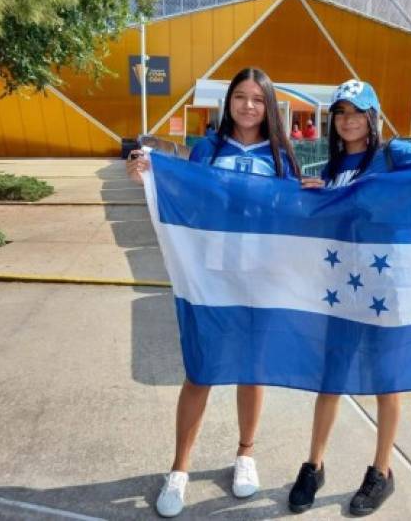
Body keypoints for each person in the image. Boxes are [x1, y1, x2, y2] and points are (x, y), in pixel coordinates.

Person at [127, 67, 299, 518]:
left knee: (252, 369)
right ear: (229, 102)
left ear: (269, 106)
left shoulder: (281, 154)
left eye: (257, 99)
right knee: (200, 372)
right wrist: (149, 174)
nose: (247, 106)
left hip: (260, 278)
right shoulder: (208, 148)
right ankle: (180, 469)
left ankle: (245, 454)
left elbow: (295, 212)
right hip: (212, 278)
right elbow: (184, 192)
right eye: (240, 97)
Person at [293, 79, 411, 516]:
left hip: (386, 285)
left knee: (385, 379)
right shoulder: (336, 163)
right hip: (342, 285)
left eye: (357, 111)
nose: (348, 119)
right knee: (330, 377)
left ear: (373, 115)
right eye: (340, 112)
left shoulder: (395, 154)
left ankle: (382, 471)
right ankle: (313, 465)